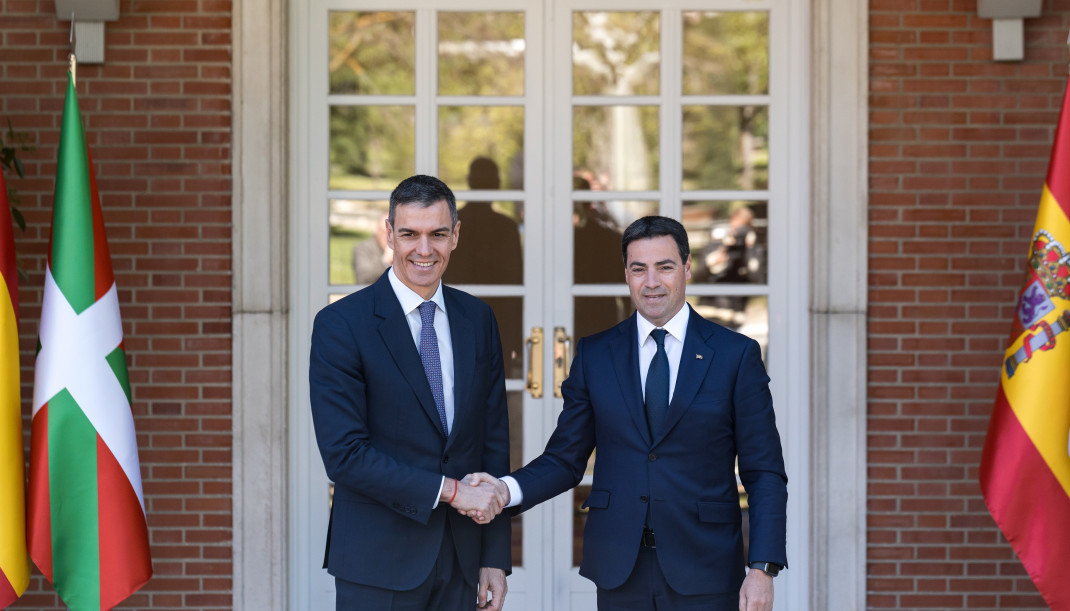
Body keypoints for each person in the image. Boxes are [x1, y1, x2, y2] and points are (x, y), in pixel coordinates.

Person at [466, 216, 788, 610]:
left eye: (664, 267)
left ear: (686, 269)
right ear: (626, 275)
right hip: (619, 567)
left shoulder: (735, 355)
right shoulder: (596, 354)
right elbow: (565, 459)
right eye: (639, 269)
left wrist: (762, 567)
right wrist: (504, 490)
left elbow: (764, 471)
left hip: (706, 567)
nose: (651, 282)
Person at [309, 175, 512, 610]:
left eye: (438, 234)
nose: (424, 249)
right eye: (410, 234)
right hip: (377, 560)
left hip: (461, 560)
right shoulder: (342, 325)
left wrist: (494, 557)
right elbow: (344, 454)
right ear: (389, 234)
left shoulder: (478, 319)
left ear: (455, 235)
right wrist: (453, 491)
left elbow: (492, 445)